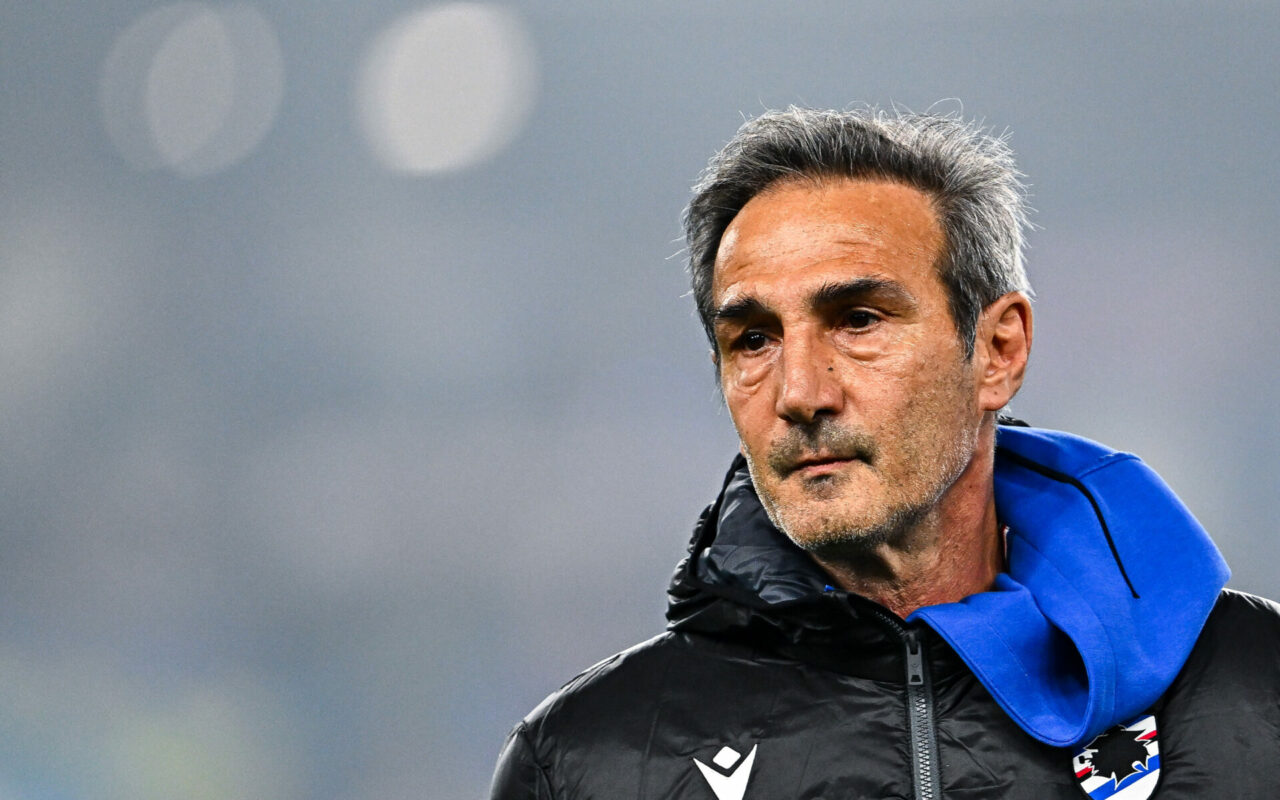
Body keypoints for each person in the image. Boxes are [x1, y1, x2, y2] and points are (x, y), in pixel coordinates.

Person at [488, 107, 1280, 800]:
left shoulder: (1259, 692)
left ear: (998, 351)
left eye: (859, 320)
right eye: (754, 340)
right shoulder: (586, 763)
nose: (801, 392)